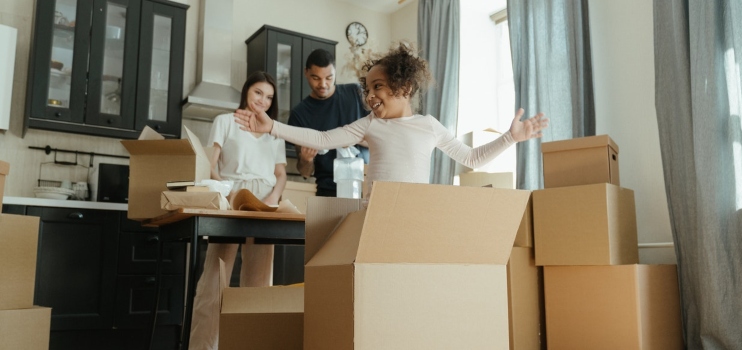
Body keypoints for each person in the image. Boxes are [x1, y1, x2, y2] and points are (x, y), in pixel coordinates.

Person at [234, 43, 548, 199]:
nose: (369, 96)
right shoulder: (371, 124)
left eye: (378, 87)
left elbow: (471, 157)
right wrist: (271, 126)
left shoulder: (429, 126)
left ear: (405, 87)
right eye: (367, 89)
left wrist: (510, 138)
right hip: (374, 212)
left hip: (415, 212)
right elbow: (323, 138)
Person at [189, 71, 287, 350]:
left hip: (265, 205)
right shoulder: (225, 122)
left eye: (269, 97)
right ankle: (203, 347)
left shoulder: (273, 131)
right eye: (258, 93)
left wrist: (271, 200)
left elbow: (281, 174)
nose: (263, 101)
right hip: (230, 199)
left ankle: (249, 344)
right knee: (215, 278)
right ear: (246, 91)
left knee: (258, 283)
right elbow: (211, 164)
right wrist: (228, 193)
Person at [288, 48, 369, 197]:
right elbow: (305, 172)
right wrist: (306, 159)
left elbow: (379, 138)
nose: (323, 84)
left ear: (335, 72)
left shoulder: (355, 93)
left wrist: (349, 138)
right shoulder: (299, 114)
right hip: (328, 190)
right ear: (306, 72)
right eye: (316, 78)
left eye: (329, 78)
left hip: (365, 185)